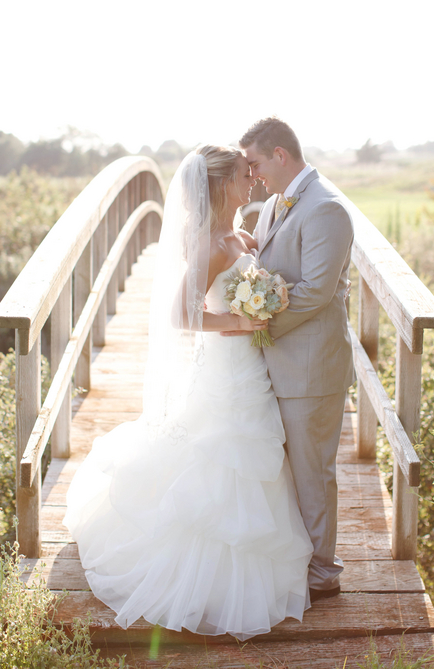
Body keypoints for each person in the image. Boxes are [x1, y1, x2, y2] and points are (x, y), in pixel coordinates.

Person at [64, 144, 312, 639]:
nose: (253, 182)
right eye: (245, 176)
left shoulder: (236, 235)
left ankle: (247, 568)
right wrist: (240, 319)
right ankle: (199, 578)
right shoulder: (210, 245)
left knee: (252, 456)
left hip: (248, 366)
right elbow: (182, 313)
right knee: (220, 455)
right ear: (221, 184)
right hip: (225, 369)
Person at [234, 117, 355, 601]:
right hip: (276, 362)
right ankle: (294, 563)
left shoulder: (327, 209)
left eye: (257, 163)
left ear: (280, 155)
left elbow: (316, 293)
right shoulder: (271, 206)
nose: (254, 174)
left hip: (310, 367)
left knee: (312, 474)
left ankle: (323, 574)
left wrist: (258, 325)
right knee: (285, 472)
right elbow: (267, 268)